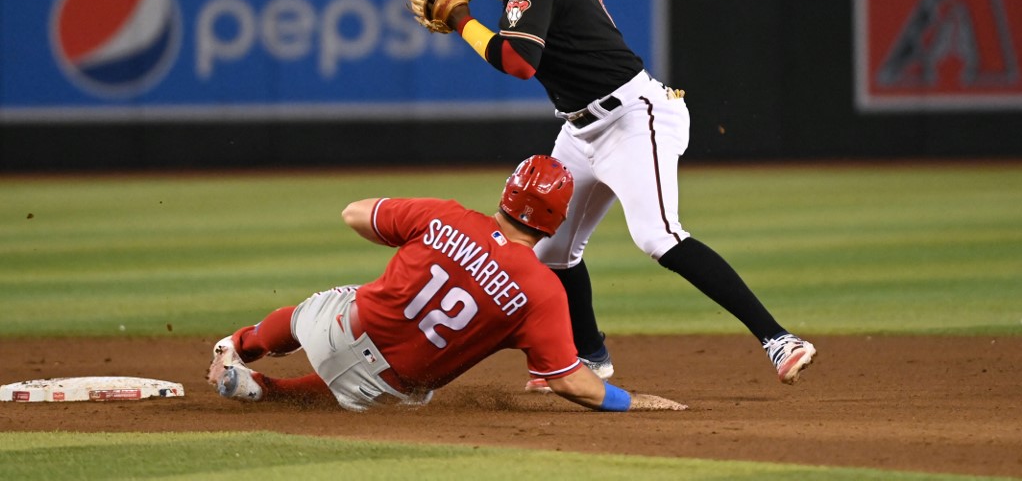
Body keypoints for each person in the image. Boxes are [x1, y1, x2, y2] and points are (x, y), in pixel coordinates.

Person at [403, 0, 817, 392]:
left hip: (634, 118)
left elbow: (518, 63)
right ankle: (591, 357)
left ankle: (779, 339)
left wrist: (460, 17)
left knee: (658, 236)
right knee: (552, 251)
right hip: (580, 129)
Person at [206, 155, 686, 413]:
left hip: (337, 330)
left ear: (506, 192)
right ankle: (267, 391)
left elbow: (353, 213)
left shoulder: (445, 216)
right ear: (556, 224)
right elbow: (570, 382)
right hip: (384, 390)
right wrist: (633, 401)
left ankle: (241, 346)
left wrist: (424, 239)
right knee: (368, 389)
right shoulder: (542, 291)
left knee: (324, 306)